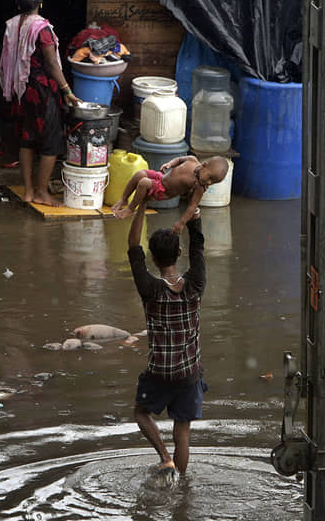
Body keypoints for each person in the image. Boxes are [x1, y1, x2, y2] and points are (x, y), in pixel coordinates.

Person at [128, 201, 207, 478]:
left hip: (160, 372)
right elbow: (198, 246)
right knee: (182, 429)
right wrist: (193, 216)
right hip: (189, 373)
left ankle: (165, 458)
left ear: (152, 258)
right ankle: (181, 486)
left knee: (141, 413)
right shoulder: (195, 286)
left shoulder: (150, 289)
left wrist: (140, 205)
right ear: (179, 253)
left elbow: (133, 247)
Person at [0, 0, 82, 207]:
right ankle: (42, 192)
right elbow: (52, 64)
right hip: (41, 91)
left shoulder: (12, 25)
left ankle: (28, 191)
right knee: (51, 142)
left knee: (27, 139)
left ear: (18, 3)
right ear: (41, 2)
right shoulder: (41, 28)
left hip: (21, 90)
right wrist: (67, 91)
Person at [112, 155, 228, 234]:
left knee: (143, 182)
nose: (209, 183)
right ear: (204, 165)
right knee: (139, 174)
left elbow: (192, 206)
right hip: (161, 178)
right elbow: (178, 160)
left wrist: (181, 222)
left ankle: (131, 209)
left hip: (163, 190)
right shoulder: (192, 160)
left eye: (213, 182)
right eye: (210, 178)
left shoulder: (198, 186)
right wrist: (169, 164)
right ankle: (124, 198)